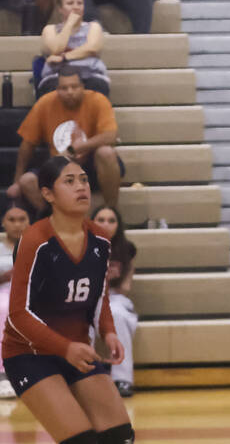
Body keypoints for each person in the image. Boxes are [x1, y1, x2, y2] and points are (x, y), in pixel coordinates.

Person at [2, 157, 134, 444]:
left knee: (120, 437)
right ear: (47, 194)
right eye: (69, 181)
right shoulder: (34, 241)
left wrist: (109, 331)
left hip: (77, 351)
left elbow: (99, 297)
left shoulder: (100, 238)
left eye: (84, 179)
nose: (81, 187)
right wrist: (65, 348)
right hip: (29, 355)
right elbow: (18, 314)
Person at [10, 67, 125, 211]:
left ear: (82, 87)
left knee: (106, 153)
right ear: (57, 89)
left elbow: (111, 136)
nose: (70, 92)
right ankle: (59, 221)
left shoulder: (97, 100)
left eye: (74, 87)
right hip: (59, 165)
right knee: (27, 181)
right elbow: (27, 145)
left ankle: (111, 211)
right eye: (64, 88)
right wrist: (16, 181)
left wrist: (77, 148)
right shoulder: (45, 103)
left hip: (91, 165)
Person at [92, 206, 137, 398]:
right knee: (78, 321)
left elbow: (126, 287)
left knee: (117, 315)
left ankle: (122, 380)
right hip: (88, 297)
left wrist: (109, 278)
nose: (106, 224)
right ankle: (81, 378)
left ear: (118, 225)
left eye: (111, 220)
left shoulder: (127, 249)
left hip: (115, 296)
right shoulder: (79, 245)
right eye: (100, 220)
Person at [38, 0, 110, 97]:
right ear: (60, 9)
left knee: (98, 86)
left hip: (89, 74)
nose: (76, 7)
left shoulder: (93, 26)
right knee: (51, 89)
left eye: (79, 3)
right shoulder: (50, 29)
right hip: (57, 75)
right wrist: (69, 24)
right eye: (70, 3)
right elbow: (56, 49)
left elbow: (92, 48)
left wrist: (64, 57)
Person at [0, 205, 31, 399]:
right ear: (3, 223)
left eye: (22, 219)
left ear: (30, 223)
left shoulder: (41, 247)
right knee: (4, 307)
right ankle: (4, 373)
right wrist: (7, 276)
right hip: (3, 291)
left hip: (32, 292)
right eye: (12, 220)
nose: (17, 224)